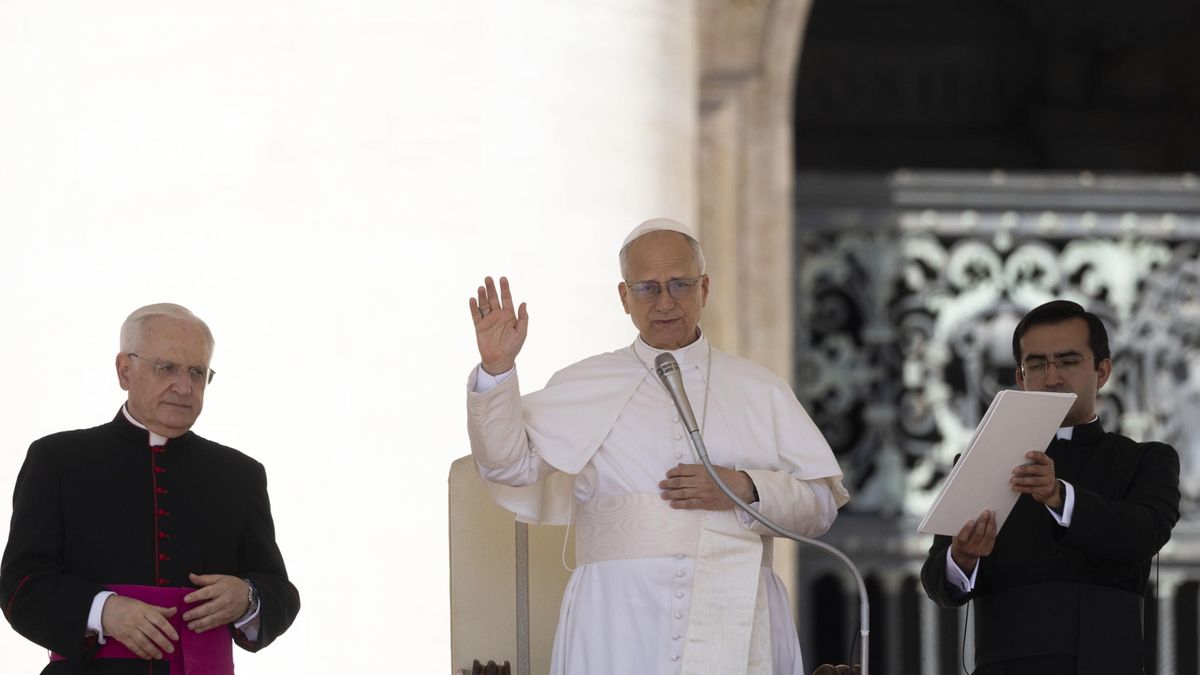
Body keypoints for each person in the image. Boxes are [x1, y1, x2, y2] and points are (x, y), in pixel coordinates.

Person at [466, 218, 849, 675]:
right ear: (624, 298)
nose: (665, 302)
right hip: (614, 619)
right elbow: (507, 467)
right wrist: (497, 369)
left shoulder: (759, 388)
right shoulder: (585, 383)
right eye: (647, 288)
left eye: (679, 285)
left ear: (704, 289)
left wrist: (744, 486)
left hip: (739, 609)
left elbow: (821, 506)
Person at [1, 303, 300, 674]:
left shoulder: (240, 474)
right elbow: (20, 587)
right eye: (167, 368)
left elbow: (280, 592)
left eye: (197, 372)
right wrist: (104, 610)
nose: (184, 386)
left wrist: (247, 598)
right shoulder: (58, 459)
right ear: (124, 370)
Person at [920, 300, 1181, 675]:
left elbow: (1144, 533)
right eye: (1037, 364)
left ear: (1102, 371)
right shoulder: (981, 459)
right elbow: (936, 580)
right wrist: (962, 558)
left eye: (1069, 361)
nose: (1052, 377)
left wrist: (1060, 497)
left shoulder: (1145, 460)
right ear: (1021, 377)